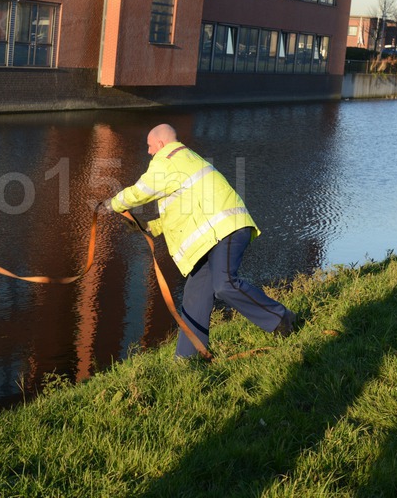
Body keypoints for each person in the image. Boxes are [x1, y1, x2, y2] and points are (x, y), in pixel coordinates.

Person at [101, 124, 296, 358]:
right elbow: (181, 210)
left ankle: (281, 319)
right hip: (213, 236)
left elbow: (141, 190)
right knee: (195, 298)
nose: (149, 152)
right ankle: (188, 358)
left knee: (224, 285)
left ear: (161, 144)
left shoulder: (167, 159)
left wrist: (112, 204)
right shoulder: (186, 159)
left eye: (150, 146)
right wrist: (150, 227)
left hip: (226, 231)